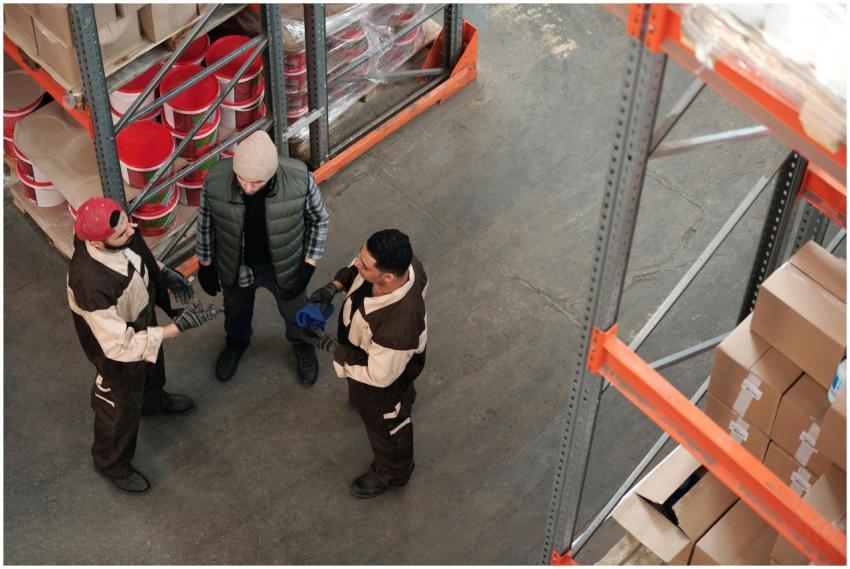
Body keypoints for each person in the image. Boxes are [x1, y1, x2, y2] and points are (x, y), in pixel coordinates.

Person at [67, 197, 222, 495]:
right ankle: (110, 462)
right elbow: (117, 345)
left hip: (139, 316)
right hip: (115, 347)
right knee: (119, 404)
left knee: (152, 366)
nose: (132, 231)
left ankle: (152, 401)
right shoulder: (89, 284)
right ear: (98, 243)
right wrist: (176, 328)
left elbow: (134, 254)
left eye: (127, 222)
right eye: (122, 233)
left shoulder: (118, 231)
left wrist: (162, 271)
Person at [195, 130, 330, 386]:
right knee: (236, 309)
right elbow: (206, 222)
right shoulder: (215, 180)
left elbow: (319, 220)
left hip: (284, 264)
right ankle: (236, 342)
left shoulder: (300, 179)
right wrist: (206, 264)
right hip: (237, 263)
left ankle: (303, 345)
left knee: (296, 310)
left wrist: (308, 264)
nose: (247, 187)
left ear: (272, 174)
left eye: (256, 183)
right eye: (241, 179)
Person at [304, 229, 427, 498]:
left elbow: (379, 375)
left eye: (364, 264)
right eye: (360, 255)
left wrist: (332, 348)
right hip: (366, 353)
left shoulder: (399, 326)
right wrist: (334, 287)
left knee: (387, 425)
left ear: (388, 276)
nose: (356, 264)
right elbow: (354, 269)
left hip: (384, 381)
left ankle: (394, 472)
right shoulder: (407, 265)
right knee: (363, 396)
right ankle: (396, 400)